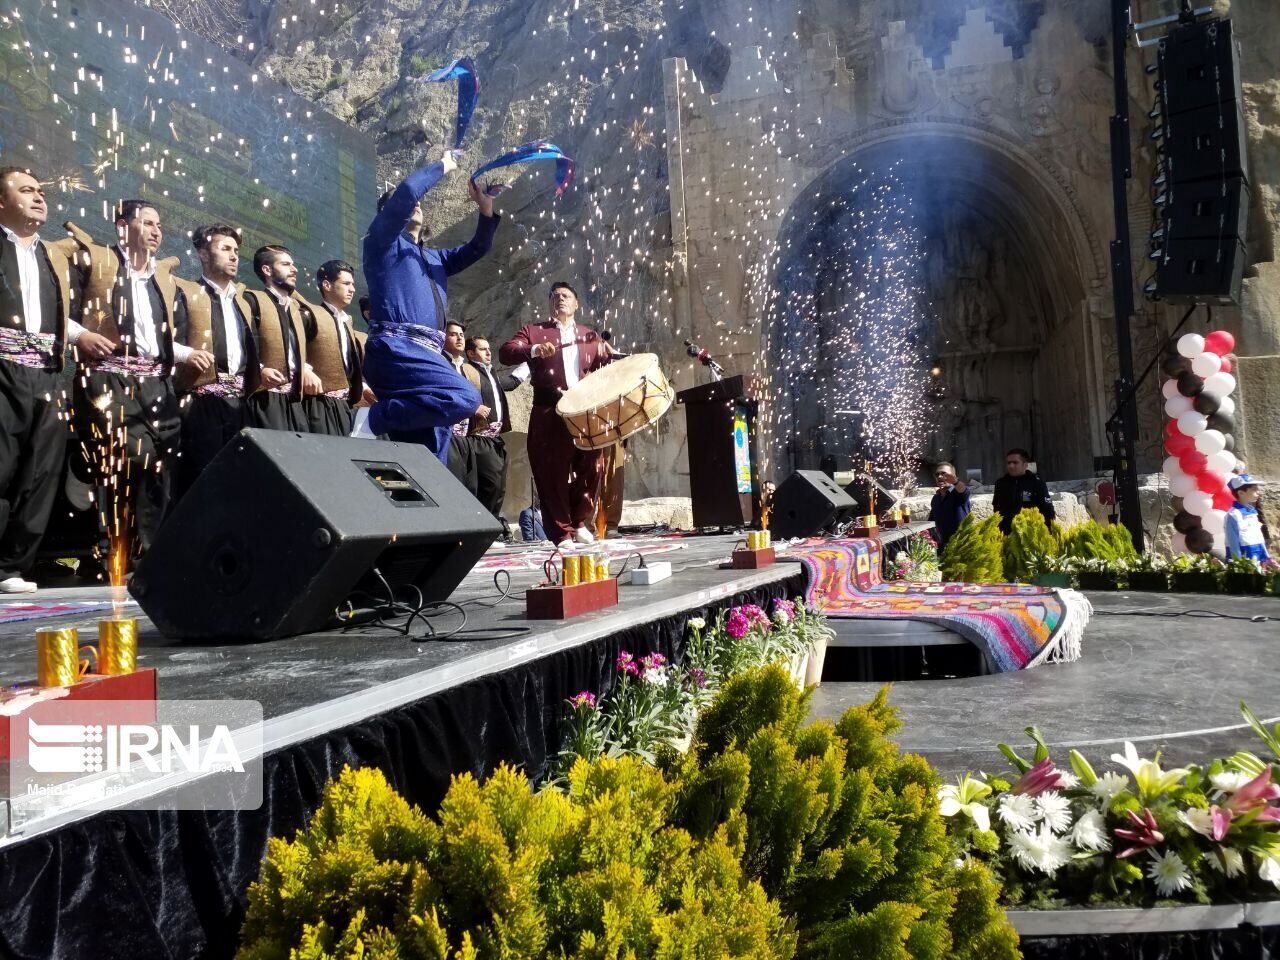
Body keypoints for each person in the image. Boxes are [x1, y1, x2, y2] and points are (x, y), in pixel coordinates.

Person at [63, 199, 203, 555]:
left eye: (160, 226)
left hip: (157, 384)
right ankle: (112, 554)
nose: (157, 232)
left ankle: (150, 556)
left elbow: (162, 340)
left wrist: (190, 354)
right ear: (122, 226)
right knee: (123, 462)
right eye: (149, 223)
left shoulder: (162, 281)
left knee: (160, 464)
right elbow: (59, 310)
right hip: (110, 378)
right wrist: (80, 335)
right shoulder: (95, 262)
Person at [360, 148, 499, 464]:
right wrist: (444, 164)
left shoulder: (435, 258)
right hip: (397, 350)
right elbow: (408, 192)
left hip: (427, 357)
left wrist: (485, 207)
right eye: (408, 204)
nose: (417, 204)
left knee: (426, 456)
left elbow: (478, 248)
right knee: (464, 397)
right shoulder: (381, 243)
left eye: (418, 204)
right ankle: (373, 419)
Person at [0, 167, 85, 592]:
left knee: (41, 468)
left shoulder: (52, 255)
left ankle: (12, 567)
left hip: (48, 371)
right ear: (2, 202)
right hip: (3, 367)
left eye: (40, 191)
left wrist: (84, 335)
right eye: (26, 190)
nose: (38, 197)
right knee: (2, 464)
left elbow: (60, 315)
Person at [499, 281, 612, 549]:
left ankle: (580, 520)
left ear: (576, 304)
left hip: (583, 409)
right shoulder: (534, 331)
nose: (560, 299)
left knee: (593, 465)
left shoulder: (589, 335)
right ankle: (561, 532)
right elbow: (506, 353)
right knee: (552, 473)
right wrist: (534, 350)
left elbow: (603, 371)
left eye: (566, 296)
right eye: (555, 296)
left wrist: (608, 355)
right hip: (548, 410)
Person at [172, 223, 260, 497]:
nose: (234, 256)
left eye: (236, 250)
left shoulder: (243, 303)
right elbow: (162, 341)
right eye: (225, 249)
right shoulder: (185, 293)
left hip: (241, 406)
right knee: (202, 485)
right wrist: (187, 354)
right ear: (203, 253)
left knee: (241, 482)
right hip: (200, 404)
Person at [241, 244, 318, 432]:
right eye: (286, 264)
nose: (294, 269)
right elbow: (243, 344)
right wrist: (260, 370)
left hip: (295, 400)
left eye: (293, 264)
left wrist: (306, 369)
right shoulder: (252, 301)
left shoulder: (298, 310)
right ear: (266, 270)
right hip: (266, 398)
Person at [309, 259, 368, 436]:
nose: (352, 289)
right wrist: (306, 369)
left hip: (347, 406)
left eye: (353, 284)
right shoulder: (310, 314)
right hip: (319, 405)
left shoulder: (347, 321)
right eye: (346, 283)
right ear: (327, 285)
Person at [465, 333, 521, 520]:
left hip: (496, 438)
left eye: (489, 349)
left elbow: (512, 382)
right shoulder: (467, 372)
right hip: (478, 437)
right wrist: (473, 408)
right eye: (482, 349)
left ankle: (493, 525)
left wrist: (532, 359)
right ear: (471, 354)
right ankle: (484, 524)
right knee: (490, 485)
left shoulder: (492, 374)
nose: (489, 352)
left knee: (499, 486)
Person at [992, 447, 1054, 535]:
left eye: (1015, 462)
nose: (1011, 466)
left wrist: (1049, 531)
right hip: (1007, 532)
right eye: (1009, 463)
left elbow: (1047, 508)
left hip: (1031, 532)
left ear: (1025, 465)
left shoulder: (1036, 482)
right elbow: (997, 509)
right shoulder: (1001, 483)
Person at [1225, 474, 1273, 565]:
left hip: (1258, 558)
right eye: (1254, 489)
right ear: (1241, 493)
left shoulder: (1253, 512)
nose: (1258, 491)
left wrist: (1267, 557)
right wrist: (1239, 565)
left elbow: (1258, 537)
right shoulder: (1233, 515)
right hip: (1244, 562)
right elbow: (1233, 544)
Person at [928, 462, 970, 550]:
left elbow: (964, 491)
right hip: (942, 548)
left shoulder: (958, 493)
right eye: (937, 474)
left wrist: (955, 481)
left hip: (961, 546)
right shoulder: (935, 499)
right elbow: (931, 522)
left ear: (953, 476)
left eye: (944, 474)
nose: (939, 477)